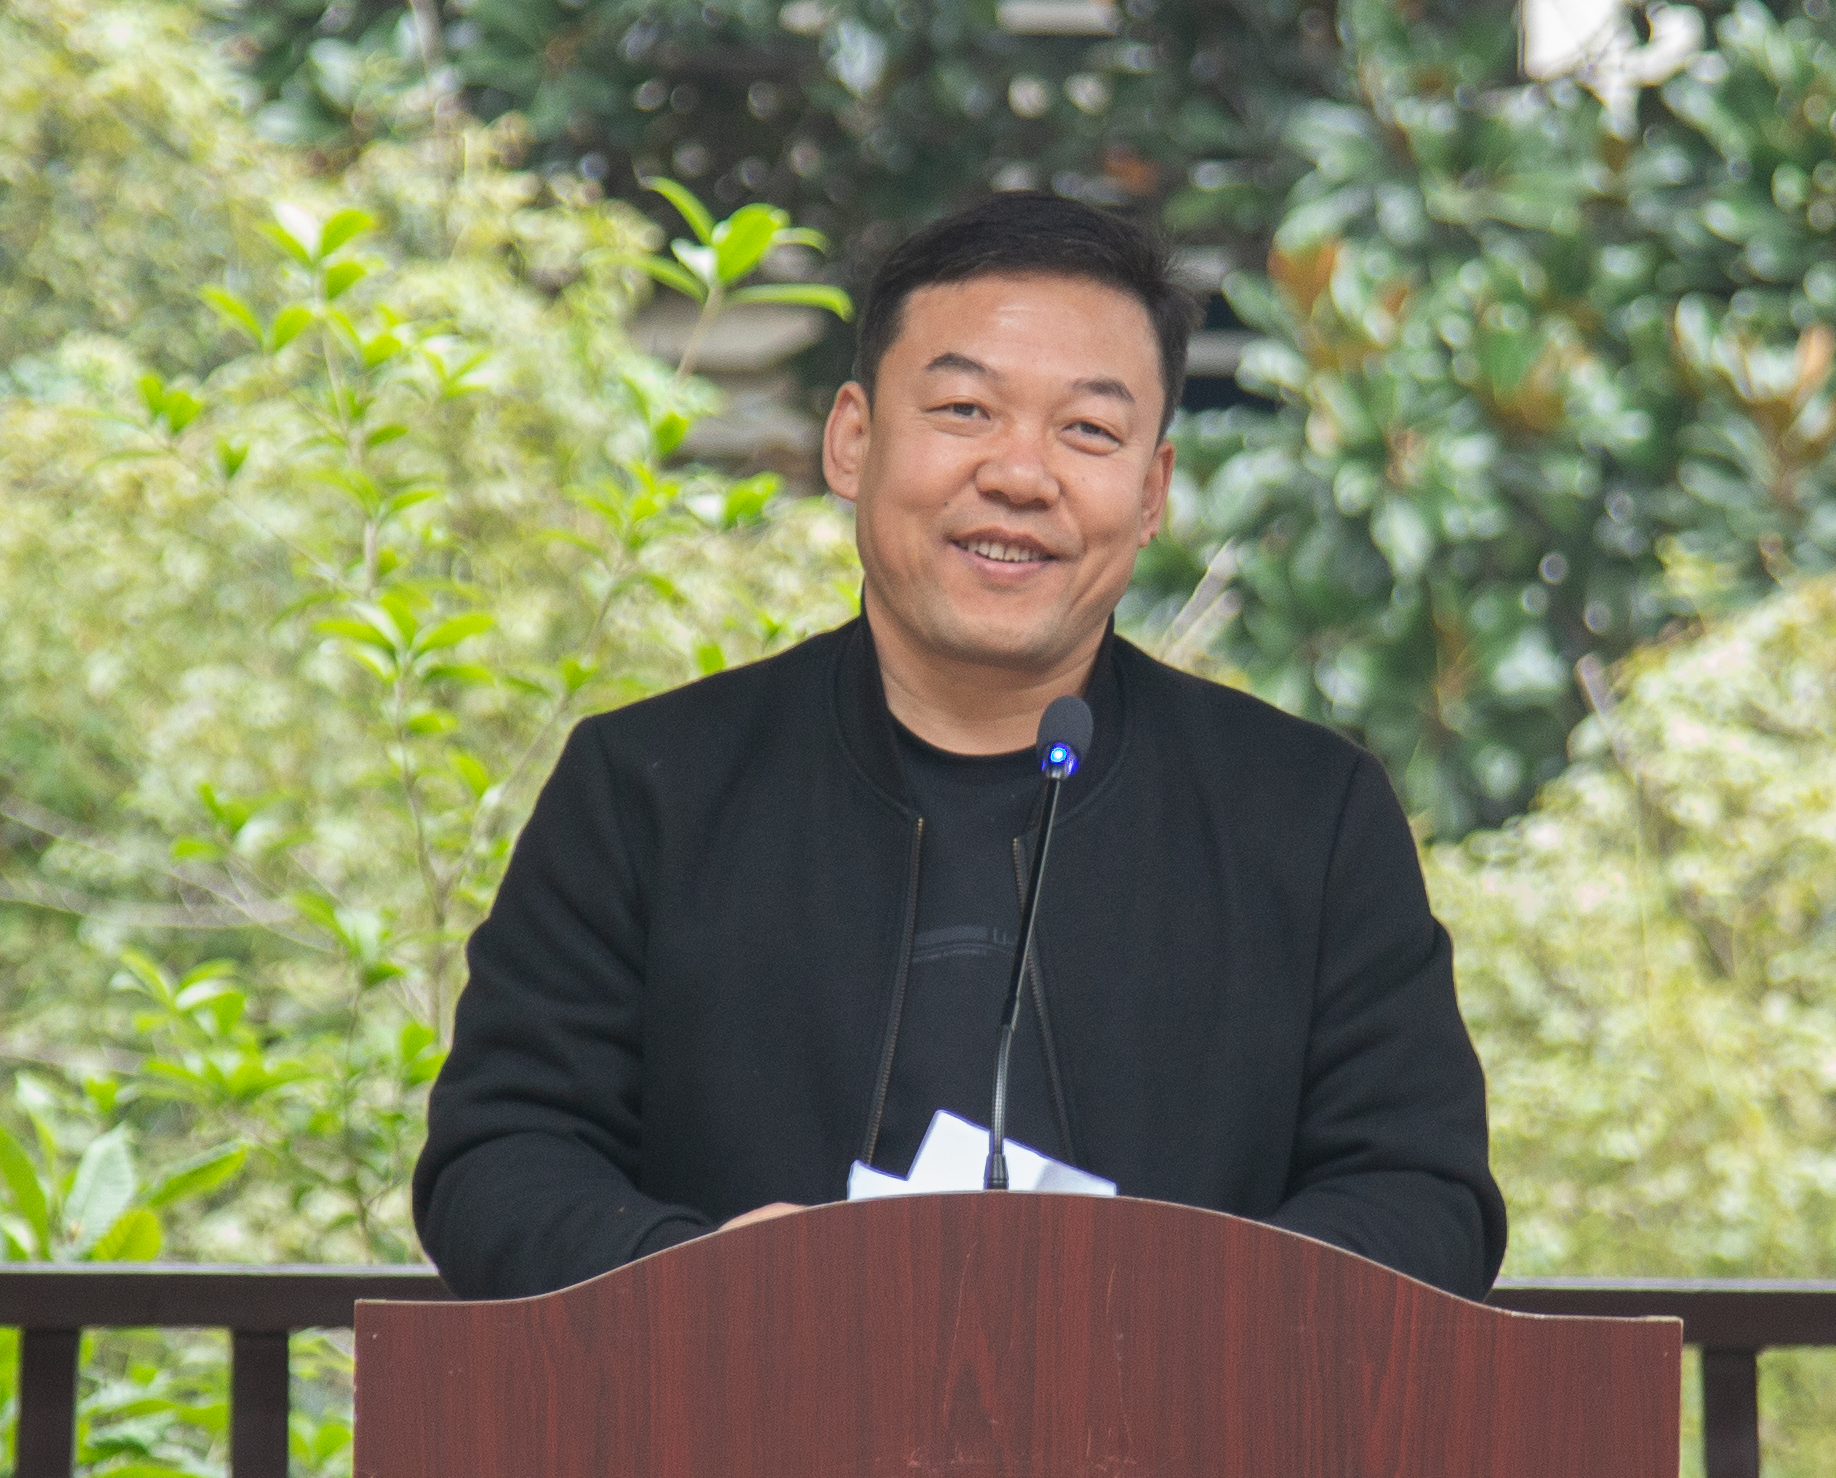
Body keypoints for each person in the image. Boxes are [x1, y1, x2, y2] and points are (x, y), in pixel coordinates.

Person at [412, 192, 1506, 1301]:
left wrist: (1175, 1310)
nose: (1020, 476)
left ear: (1151, 495)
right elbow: (499, 1160)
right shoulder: (647, 789)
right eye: (965, 410)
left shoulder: (1308, 815)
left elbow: (1423, 1197)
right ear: (852, 440)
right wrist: (714, 1284)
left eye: (1088, 431)